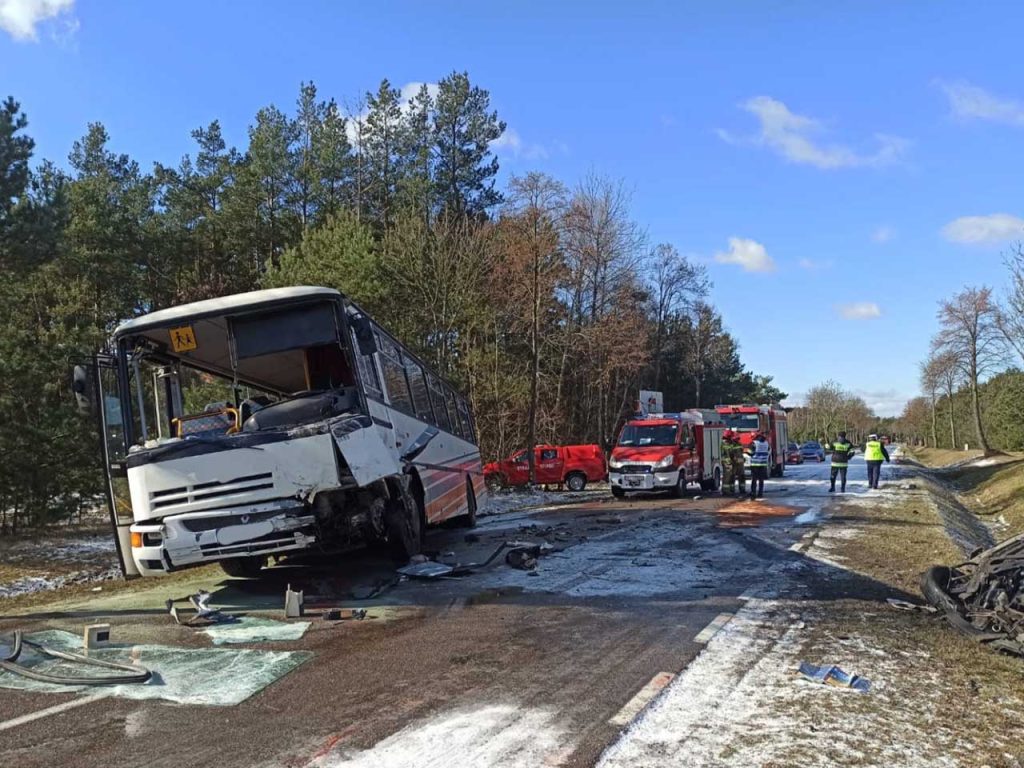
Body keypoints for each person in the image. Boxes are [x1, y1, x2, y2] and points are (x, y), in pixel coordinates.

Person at [747, 432, 771, 500]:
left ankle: (753, 493)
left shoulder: (754, 443)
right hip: (763, 464)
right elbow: (768, 451)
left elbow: (750, 452)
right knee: (761, 479)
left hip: (755, 464)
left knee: (754, 479)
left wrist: (747, 452)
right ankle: (760, 493)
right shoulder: (766, 443)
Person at [721, 430, 746, 496]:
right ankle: (726, 490)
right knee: (728, 477)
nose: (735, 439)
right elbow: (729, 454)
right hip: (728, 463)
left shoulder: (736, 444)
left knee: (739, 476)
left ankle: (737, 489)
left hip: (736, 463)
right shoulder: (725, 444)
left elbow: (740, 452)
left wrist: (742, 459)